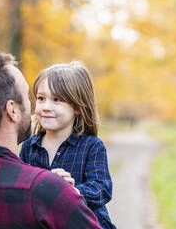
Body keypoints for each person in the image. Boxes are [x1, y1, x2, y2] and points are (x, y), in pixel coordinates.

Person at [0, 51, 102, 229]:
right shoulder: (47, 191)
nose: (37, 108)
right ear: (12, 110)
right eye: (30, 97)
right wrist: (58, 190)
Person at [20, 62, 116, 229]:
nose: (46, 107)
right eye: (41, 99)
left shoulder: (91, 146)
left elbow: (102, 188)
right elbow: (21, 188)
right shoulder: (29, 147)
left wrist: (71, 191)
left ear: (78, 107)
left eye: (56, 100)